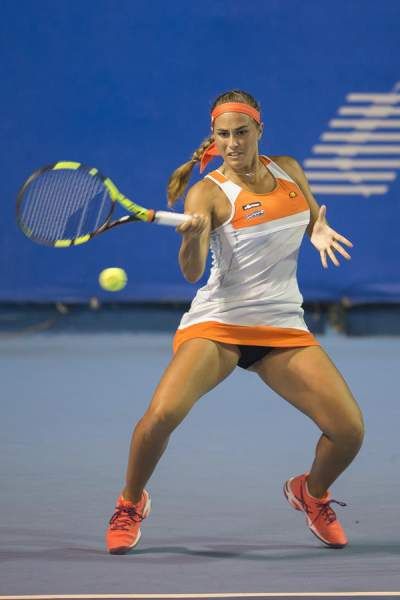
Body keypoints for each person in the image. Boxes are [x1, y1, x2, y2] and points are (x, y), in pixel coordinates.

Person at [105, 89, 364, 554]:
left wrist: (317, 229)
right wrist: (191, 239)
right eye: (223, 135)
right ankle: (129, 502)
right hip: (220, 324)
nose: (232, 143)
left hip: (282, 325)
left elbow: (306, 216)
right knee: (161, 415)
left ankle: (312, 493)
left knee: (349, 431)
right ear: (213, 137)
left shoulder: (288, 169)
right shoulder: (207, 192)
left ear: (259, 131)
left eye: (241, 133)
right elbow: (191, 272)